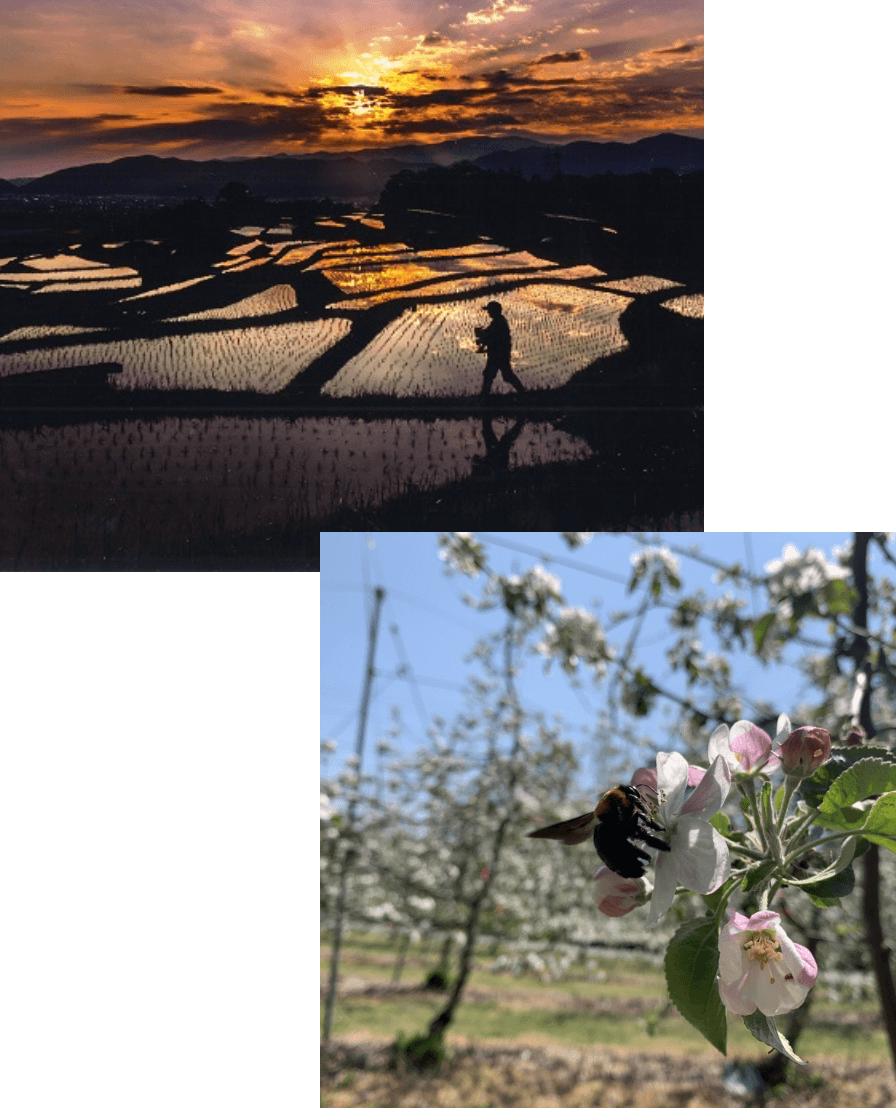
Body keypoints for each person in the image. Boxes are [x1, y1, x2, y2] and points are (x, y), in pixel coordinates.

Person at [476, 301, 525, 397]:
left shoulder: (499, 323)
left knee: (495, 374)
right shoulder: (497, 322)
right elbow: (488, 334)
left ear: (495, 311)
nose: (488, 313)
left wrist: (481, 336)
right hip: (499, 354)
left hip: (499, 354)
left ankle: (522, 392)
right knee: (494, 374)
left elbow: (492, 337)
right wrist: (482, 337)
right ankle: (522, 392)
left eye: (489, 311)